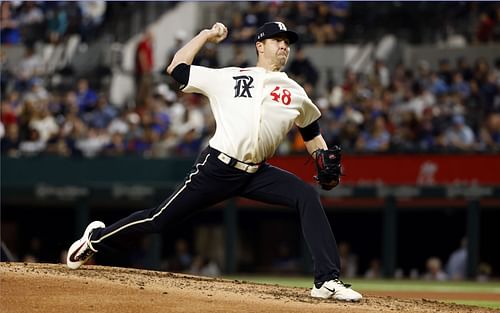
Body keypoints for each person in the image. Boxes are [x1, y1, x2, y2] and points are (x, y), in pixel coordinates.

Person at [66, 21, 362, 302]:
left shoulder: (296, 92)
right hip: (217, 168)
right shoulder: (229, 76)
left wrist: (321, 157)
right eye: (278, 41)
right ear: (260, 45)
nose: (284, 46)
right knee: (159, 220)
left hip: (258, 172)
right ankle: (95, 239)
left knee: (306, 195)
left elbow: (311, 131)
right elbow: (177, 68)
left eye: (287, 43)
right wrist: (206, 35)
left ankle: (327, 281)